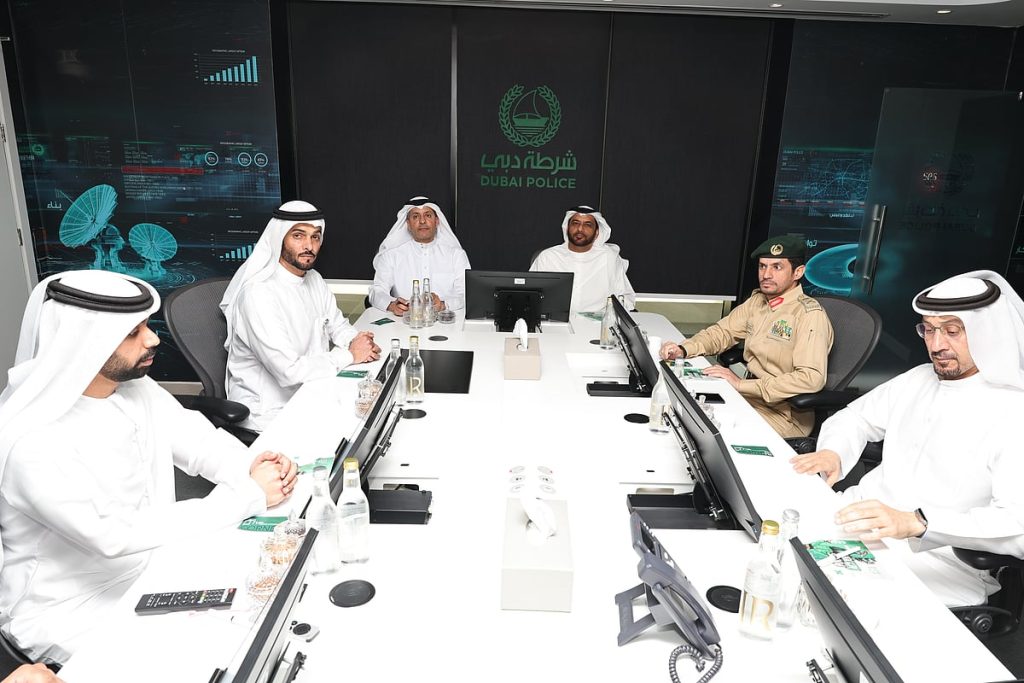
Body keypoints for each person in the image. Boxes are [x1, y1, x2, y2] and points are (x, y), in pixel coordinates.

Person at [0, 270, 298, 666]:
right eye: (132, 332)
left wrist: (254, 466)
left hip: (151, 566)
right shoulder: (30, 439)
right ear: (84, 343)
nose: (152, 339)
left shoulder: (132, 388)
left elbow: (199, 442)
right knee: (214, 657)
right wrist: (248, 494)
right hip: (71, 612)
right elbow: (113, 534)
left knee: (269, 603)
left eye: (145, 325)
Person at [791, 271, 1024, 607]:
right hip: (855, 520)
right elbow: (856, 417)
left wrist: (917, 523)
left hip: (936, 560)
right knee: (773, 543)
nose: (936, 345)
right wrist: (833, 452)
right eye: (928, 329)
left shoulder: (1014, 411)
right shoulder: (918, 378)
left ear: (987, 333)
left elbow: (1016, 524)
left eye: (952, 331)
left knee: (811, 597)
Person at [221, 200, 380, 430]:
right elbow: (289, 371)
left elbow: (337, 324)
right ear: (279, 238)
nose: (309, 245)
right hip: (269, 412)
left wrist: (357, 341)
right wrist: (350, 355)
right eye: (298, 236)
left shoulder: (314, 279)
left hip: (312, 390)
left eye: (315, 237)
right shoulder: (258, 293)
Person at [660, 234, 833, 438]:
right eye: (762, 266)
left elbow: (810, 379)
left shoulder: (809, 315)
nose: (766, 274)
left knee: (704, 432)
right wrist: (684, 349)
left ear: (798, 272)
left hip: (783, 414)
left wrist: (741, 385)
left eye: (777, 267)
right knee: (681, 412)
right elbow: (723, 332)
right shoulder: (758, 301)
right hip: (747, 398)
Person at [368, 196, 471, 314]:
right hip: (403, 320)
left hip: (447, 320)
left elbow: (466, 294)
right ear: (408, 224)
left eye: (428, 215)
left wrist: (443, 305)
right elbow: (377, 292)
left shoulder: (456, 255)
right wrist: (391, 305)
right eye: (415, 216)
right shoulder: (391, 255)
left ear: (437, 221)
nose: (422, 221)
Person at [529, 205, 636, 315]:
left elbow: (625, 298)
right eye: (575, 223)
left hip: (598, 322)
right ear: (567, 228)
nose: (580, 229)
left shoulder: (609, 257)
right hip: (555, 321)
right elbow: (530, 297)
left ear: (597, 233)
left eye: (588, 225)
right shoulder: (548, 257)